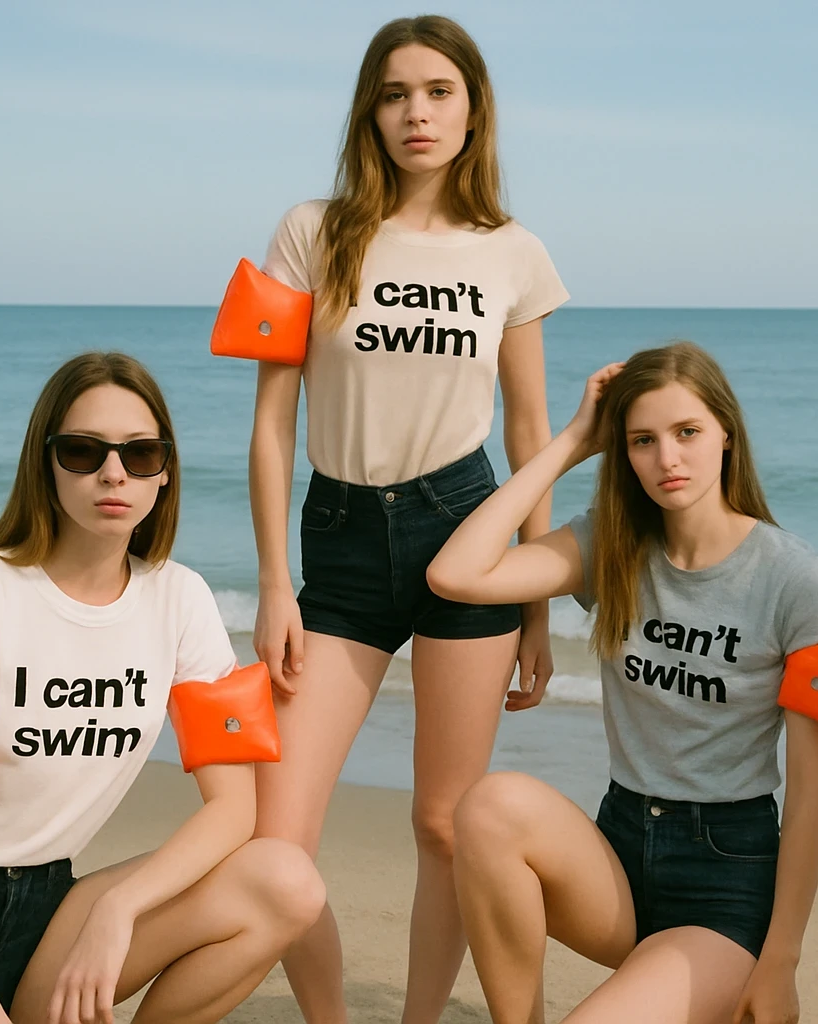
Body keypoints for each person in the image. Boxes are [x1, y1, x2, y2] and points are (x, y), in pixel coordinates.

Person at [0, 352, 325, 1024]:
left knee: (285, 882)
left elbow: (234, 811)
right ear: (45, 463)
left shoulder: (182, 600)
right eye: (83, 451)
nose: (114, 472)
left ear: (164, 472)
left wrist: (120, 904)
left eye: (140, 454)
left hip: (49, 912)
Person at [246, 14, 569, 1023]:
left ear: (473, 109)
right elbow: (269, 424)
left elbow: (529, 430)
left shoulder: (513, 253)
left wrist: (538, 598)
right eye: (394, 94)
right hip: (336, 541)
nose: (416, 113)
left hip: (462, 533)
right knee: (275, 837)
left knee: (443, 822)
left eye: (437, 91)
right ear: (369, 112)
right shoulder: (313, 229)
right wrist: (269, 584)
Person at [429, 342, 818, 1023]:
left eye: (687, 433)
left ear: (725, 435)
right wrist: (571, 441)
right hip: (620, 851)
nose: (668, 459)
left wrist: (780, 962)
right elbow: (456, 574)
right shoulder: (614, 545)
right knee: (488, 806)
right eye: (643, 441)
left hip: (725, 883)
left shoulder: (794, 580)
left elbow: (810, 798)